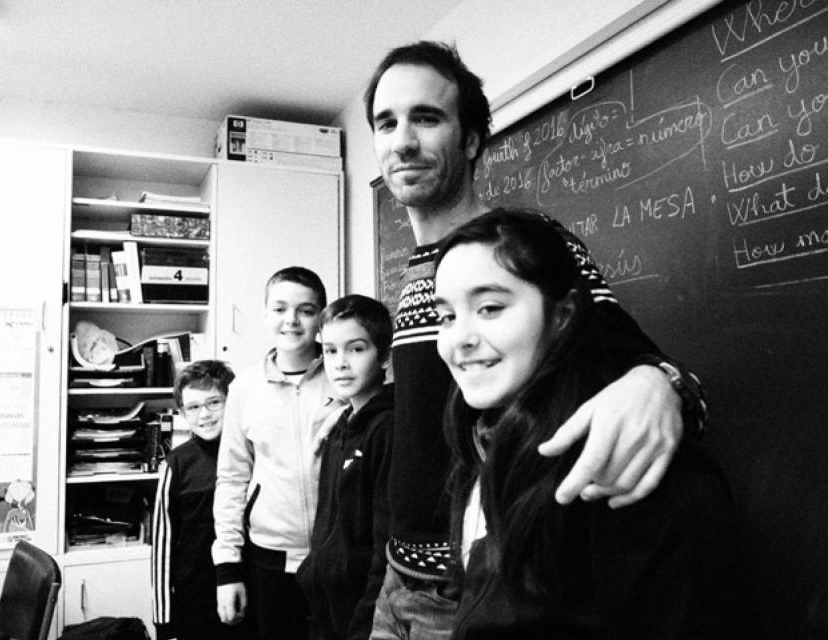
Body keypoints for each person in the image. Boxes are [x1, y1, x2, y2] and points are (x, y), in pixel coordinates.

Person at [363, 41, 707, 638]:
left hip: (473, 594)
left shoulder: (520, 247)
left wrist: (664, 384)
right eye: (386, 122)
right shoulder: (420, 270)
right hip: (398, 586)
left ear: (470, 141)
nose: (402, 141)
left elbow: (633, 358)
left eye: (426, 117)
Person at [434, 207, 742, 637]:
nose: (458, 340)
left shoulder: (635, 478)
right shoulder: (485, 442)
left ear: (562, 315)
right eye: (446, 316)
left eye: (489, 307)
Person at [212, 266, 344, 640]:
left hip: (340, 554)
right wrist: (227, 568)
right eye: (281, 308)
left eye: (306, 309)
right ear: (266, 313)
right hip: (270, 559)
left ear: (322, 315)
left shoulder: (345, 374)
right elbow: (232, 479)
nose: (292, 319)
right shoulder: (244, 388)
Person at [296, 294, 394, 640]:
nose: (340, 363)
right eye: (330, 351)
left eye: (355, 349)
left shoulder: (386, 428)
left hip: (361, 613)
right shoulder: (339, 425)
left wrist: (364, 623)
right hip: (325, 604)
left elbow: (384, 544)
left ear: (384, 355)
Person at [151, 359, 242, 640]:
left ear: (233, 402)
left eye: (214, 402)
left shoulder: (248, 454)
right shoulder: (176, 465)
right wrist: (164, 623)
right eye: (193, 407)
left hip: (244, 592)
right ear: (182, 413)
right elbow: (162, 550)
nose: (204, 414)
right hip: (195, 602)